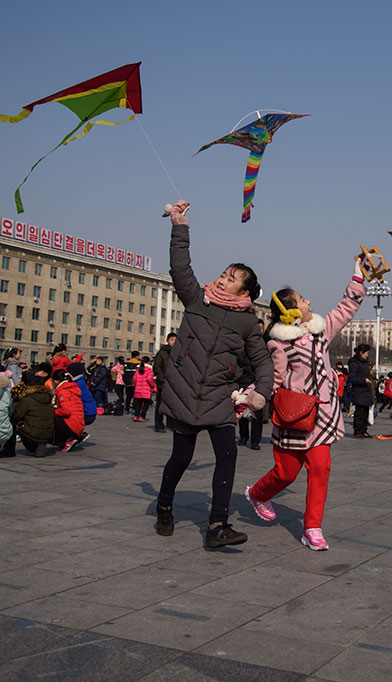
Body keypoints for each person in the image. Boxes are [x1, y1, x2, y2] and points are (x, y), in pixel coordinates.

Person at [154, 200, 273, 549]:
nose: (222, 279)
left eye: (232, 279)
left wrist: (259, 393)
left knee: (228, 454)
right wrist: (180, 226)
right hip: (187, 392)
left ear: (246, 292)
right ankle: (164, 505)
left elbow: (263, 363)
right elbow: (180, 267)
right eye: (224, 273)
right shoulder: (196, 298)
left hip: (221, 398)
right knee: (181, 457)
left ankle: (217, 525)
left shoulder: (248, 322)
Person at [245, 257, 366, 551]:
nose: (309, 300)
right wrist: (250, 398)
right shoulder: (279, 344)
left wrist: (357, 278)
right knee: (286, 473)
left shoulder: (321, 332)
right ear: (290, 312)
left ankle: (312, 527)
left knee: (321, 467)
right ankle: (257, 494)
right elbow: (273, 378)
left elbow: (345, 309)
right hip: (294, 417)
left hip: (322, 415)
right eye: (302, 299)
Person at [11, 373, 54, 457]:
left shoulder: (27, 399)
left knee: (13, 422)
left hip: (31, 433)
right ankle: (41, 444)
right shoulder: (49, 398)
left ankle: (10, 449)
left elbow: (17, 416)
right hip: (48, 433)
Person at [52, 368, 85, 451]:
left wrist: (52, 411)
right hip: (79, 424)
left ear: (55, 381)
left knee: (51, 417)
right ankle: (68, 440)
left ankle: (66, 440)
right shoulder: (71, 388)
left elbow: (66, 411)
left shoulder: (63, 391)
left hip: (72, 425)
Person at [68, 361, 97, 447]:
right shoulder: (80, 381)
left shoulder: (77, 384)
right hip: (90, 412)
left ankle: (76, 436)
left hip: (87, 414)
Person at [348, 344, 374, 438]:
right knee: (359, 412)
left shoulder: (366, 363)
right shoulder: (354, 362)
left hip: (366, 390)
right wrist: (363, 380)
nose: (367, 355)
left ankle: (364, 430)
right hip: (358, 391)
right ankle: (358, 431)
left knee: (365, 412)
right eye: (366, 353)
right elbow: (352, 377)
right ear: (361, 353)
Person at [152, 333, 176, 432]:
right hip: (163, 383)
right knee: (160, 405)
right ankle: (159, 424)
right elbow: (156, 367)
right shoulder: (162, 353)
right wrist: (163, 379)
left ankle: (171, 424)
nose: (174, 342)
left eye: (175, 340)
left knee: (173, 405)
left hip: (174, 384)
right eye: (172, 340)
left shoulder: (178, 353)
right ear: (167, 341)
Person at [131, 357, 156, 422]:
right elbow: (149, 379)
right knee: (146, 404)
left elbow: (134, 379)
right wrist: (153, 386)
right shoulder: (149, 370)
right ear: (148, 362)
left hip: (138, 389)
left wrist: (137, 385)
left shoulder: (138, 370)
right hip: (146, 390)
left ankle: (136, 416)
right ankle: (142, 416)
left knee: (138, 404)